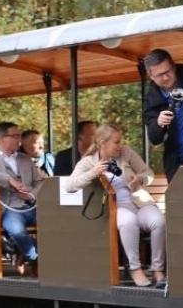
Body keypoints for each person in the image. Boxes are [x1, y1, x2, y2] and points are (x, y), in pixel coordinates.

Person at [67, 123, 165, 288]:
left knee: (159, 221)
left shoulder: (126, 153)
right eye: (116, 142)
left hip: (138, 201)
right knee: (128, 222)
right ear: (102, 143)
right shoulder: (89, 162)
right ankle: (135, 269)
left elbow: (148, 174)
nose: (120, 145)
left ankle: (158, 270)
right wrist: (92, 173)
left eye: (121, 141)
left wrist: (140, 179)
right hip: (115, 207)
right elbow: (69, 186)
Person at [0, 121, 42, 274]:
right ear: (3, 138)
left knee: (56, 223)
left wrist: (30, 195)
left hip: (32, 206)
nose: (19, 140)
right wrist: (7, 179)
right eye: (16, 136)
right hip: (10, 209)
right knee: (16, 230)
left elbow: (39, 182)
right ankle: (35, 258)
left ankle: (28, 252)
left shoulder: (25, 159)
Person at [143, 47, 183, 184]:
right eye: (159, 75)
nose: (165, 77)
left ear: (173, 65)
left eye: (167, 72)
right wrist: (159, 123)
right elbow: (154, 138)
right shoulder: (150, 100)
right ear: (151, 75)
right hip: (179, 161)